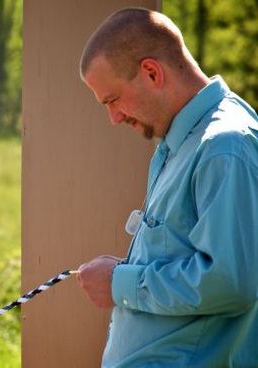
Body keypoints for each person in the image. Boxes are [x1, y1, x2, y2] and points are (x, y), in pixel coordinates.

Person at [76, 7, 258, 367]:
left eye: (113, 100)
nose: (114, 118)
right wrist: (128, 272)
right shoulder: (180, 141)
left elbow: (230, 282)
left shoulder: (223, 147)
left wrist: (120, 284)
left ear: (151, 72)